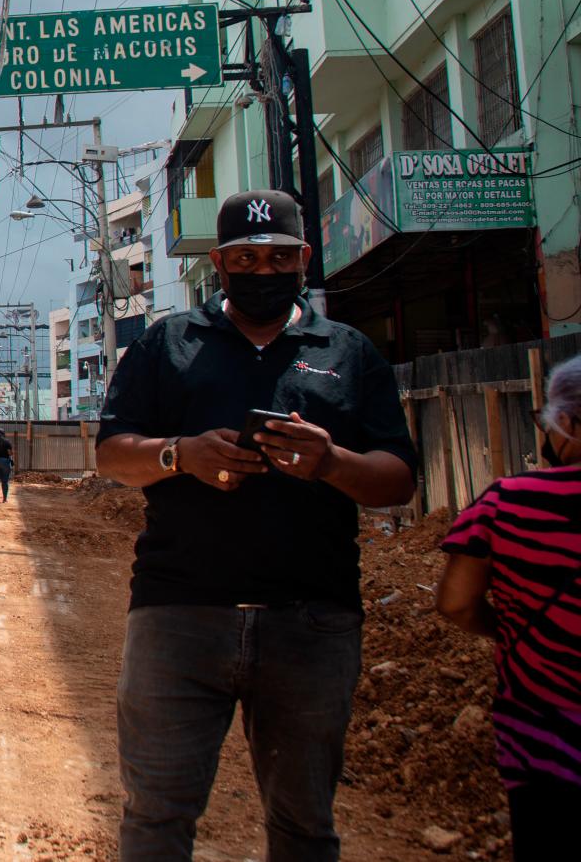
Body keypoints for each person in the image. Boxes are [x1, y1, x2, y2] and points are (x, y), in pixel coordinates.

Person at [96, 188, 416, 862]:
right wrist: (181, 453)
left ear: (303, 258)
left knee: (304, 826)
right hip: (177, 617)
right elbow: (112, 453)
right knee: (154, 819)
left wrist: (329, 461)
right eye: (246, 256)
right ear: (219, 261)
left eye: (277, 257)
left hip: (311, 624)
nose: (262, 270)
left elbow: (397, 477)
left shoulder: (348, 353)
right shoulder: (167, 345)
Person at [436, 355, 581, 860]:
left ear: (567, 422)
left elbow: (454, 603)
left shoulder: (509, 503)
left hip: (544, 736)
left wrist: (512, 630)